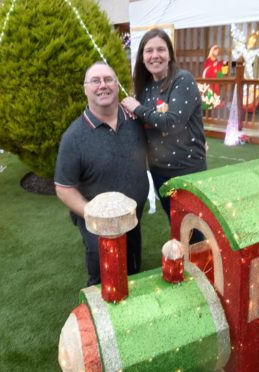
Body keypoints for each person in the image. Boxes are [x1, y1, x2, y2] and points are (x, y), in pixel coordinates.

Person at [54, 62, 149, 286]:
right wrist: (96, 215)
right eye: (95, 81)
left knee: (133, 271)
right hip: (97, 227)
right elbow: (63, 188)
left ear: (117, 86)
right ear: (85, 88)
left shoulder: (135, 121)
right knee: (104, 280)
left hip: (132, 218)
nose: (102, 85)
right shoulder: (74, 137)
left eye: (108, 79)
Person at [121, 28, 207, 220]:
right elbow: (145, 124)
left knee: (194, 229)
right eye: (149, 51)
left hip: (188, 172)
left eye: (161, 49)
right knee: (176, 223)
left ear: (170, 55)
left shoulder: (182, 80)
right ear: (142, 58)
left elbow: (172, 123)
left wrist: (137, 108)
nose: (155, 55)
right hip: (159, 171)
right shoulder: (145, 87)